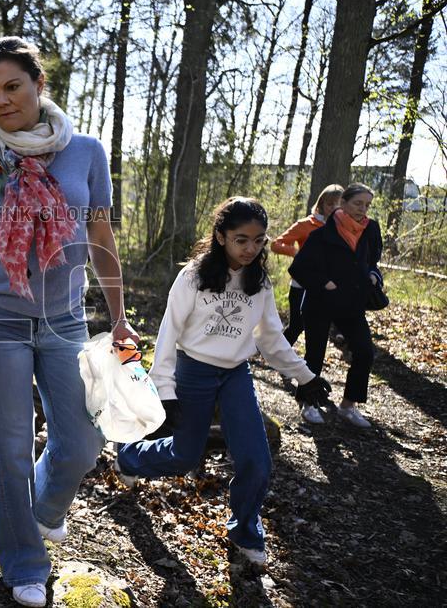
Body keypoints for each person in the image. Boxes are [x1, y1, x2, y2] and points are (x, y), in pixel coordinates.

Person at [0, 36, 137, 607]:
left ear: (39, 86)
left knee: (81, 441)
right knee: (10, 446)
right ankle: (24, 564)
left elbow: (100, 237)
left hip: (66, 319)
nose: (1, 101)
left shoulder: (87, 153)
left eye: (12, 87)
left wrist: (120, 315)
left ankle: (46, 509)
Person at [114, 197, 331, 568]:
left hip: (235, 375)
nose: (251, 248)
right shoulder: (193, 277)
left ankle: (245, 531)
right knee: (184, 454)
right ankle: (129, 458)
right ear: (221, 237)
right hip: (193, 371)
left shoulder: (258, 281)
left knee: (256, 460)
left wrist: (305, 376)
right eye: (241, 239)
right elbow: (169, 334)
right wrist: (165, 391)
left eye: (259, 240)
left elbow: (270, 339)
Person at [290, 183, 384, 428]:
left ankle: (348, 406)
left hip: (351, 304)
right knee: (314, 356)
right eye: (357, 203)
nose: (362, 210)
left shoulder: (371, 229)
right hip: (320, 303)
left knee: (364, 352)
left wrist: (374, 275)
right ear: (343, 204)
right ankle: (308, 403)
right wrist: (324, 282)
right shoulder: (321, 234)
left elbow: (373, 261)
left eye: (367, 205)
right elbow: (298, 268)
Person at [271, 184, 343, 424]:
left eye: (338, 204)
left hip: (326, 291)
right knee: (297, 327)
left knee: (316, 336)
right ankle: (280, 358)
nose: (334, 208)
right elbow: (277, 243)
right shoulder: (306, 225)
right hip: (301, 286)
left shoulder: (341, 228)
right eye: (331, 204)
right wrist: (298, 255)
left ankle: (308, 382)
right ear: (322, 204)